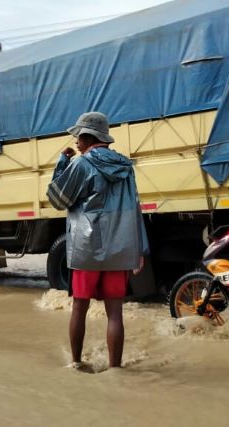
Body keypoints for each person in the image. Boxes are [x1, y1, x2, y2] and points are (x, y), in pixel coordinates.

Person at [47, 111, 149, 369]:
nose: (76, 143)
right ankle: (116, 368)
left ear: (86, 137)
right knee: (115, 313)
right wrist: (140, 249)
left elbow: (58, 199)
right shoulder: (126, 167)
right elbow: (136, 208)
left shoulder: (82, 164)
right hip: (120, 249)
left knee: (79, 308)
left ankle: (76, 363)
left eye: (78, 138)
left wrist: (62, 163)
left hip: (86, 250)